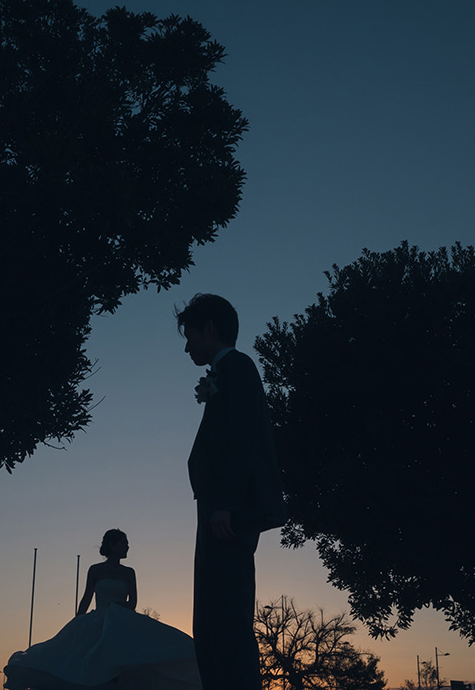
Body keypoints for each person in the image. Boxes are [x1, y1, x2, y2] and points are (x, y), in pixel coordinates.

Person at [176, 293, 287, 690]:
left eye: (189, 336)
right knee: (211, 615)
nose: (187, 346)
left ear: (209, 328)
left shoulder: (238, 367)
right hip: (216, 510)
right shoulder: (230, 371)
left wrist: (224, 504)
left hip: (228, 514)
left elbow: (244, 440)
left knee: (224, 613)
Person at [4, 529, 201, 690]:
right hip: (97, 620)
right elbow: (86, 598)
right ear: (113, 546)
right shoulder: (95, 570)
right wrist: (76, 623)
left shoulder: (129, 572)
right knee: (80, 659)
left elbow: (132, 602)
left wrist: (115, 611)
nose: (128, 546)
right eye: (124, 543)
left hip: (120, 621)